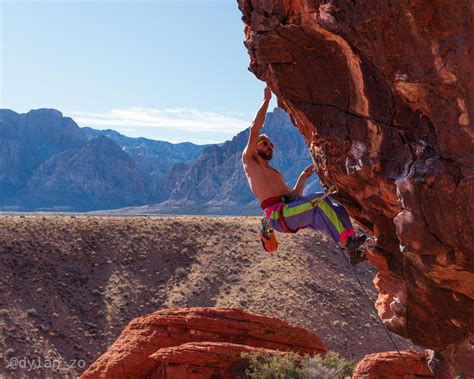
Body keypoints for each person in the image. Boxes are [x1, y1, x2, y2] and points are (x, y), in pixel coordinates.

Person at [242, 86, 366, 264]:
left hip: (286, 211)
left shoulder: (275, 175)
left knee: (338, 208)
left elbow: (293, 197)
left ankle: (352, 245)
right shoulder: (249, 162)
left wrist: (302, 177)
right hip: (278, 216)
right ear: (254, 146)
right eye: (264, 143)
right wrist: (266, 100)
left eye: (270, 145)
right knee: (319, 200)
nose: (269, 147)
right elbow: (255, 129)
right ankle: (348, 242)